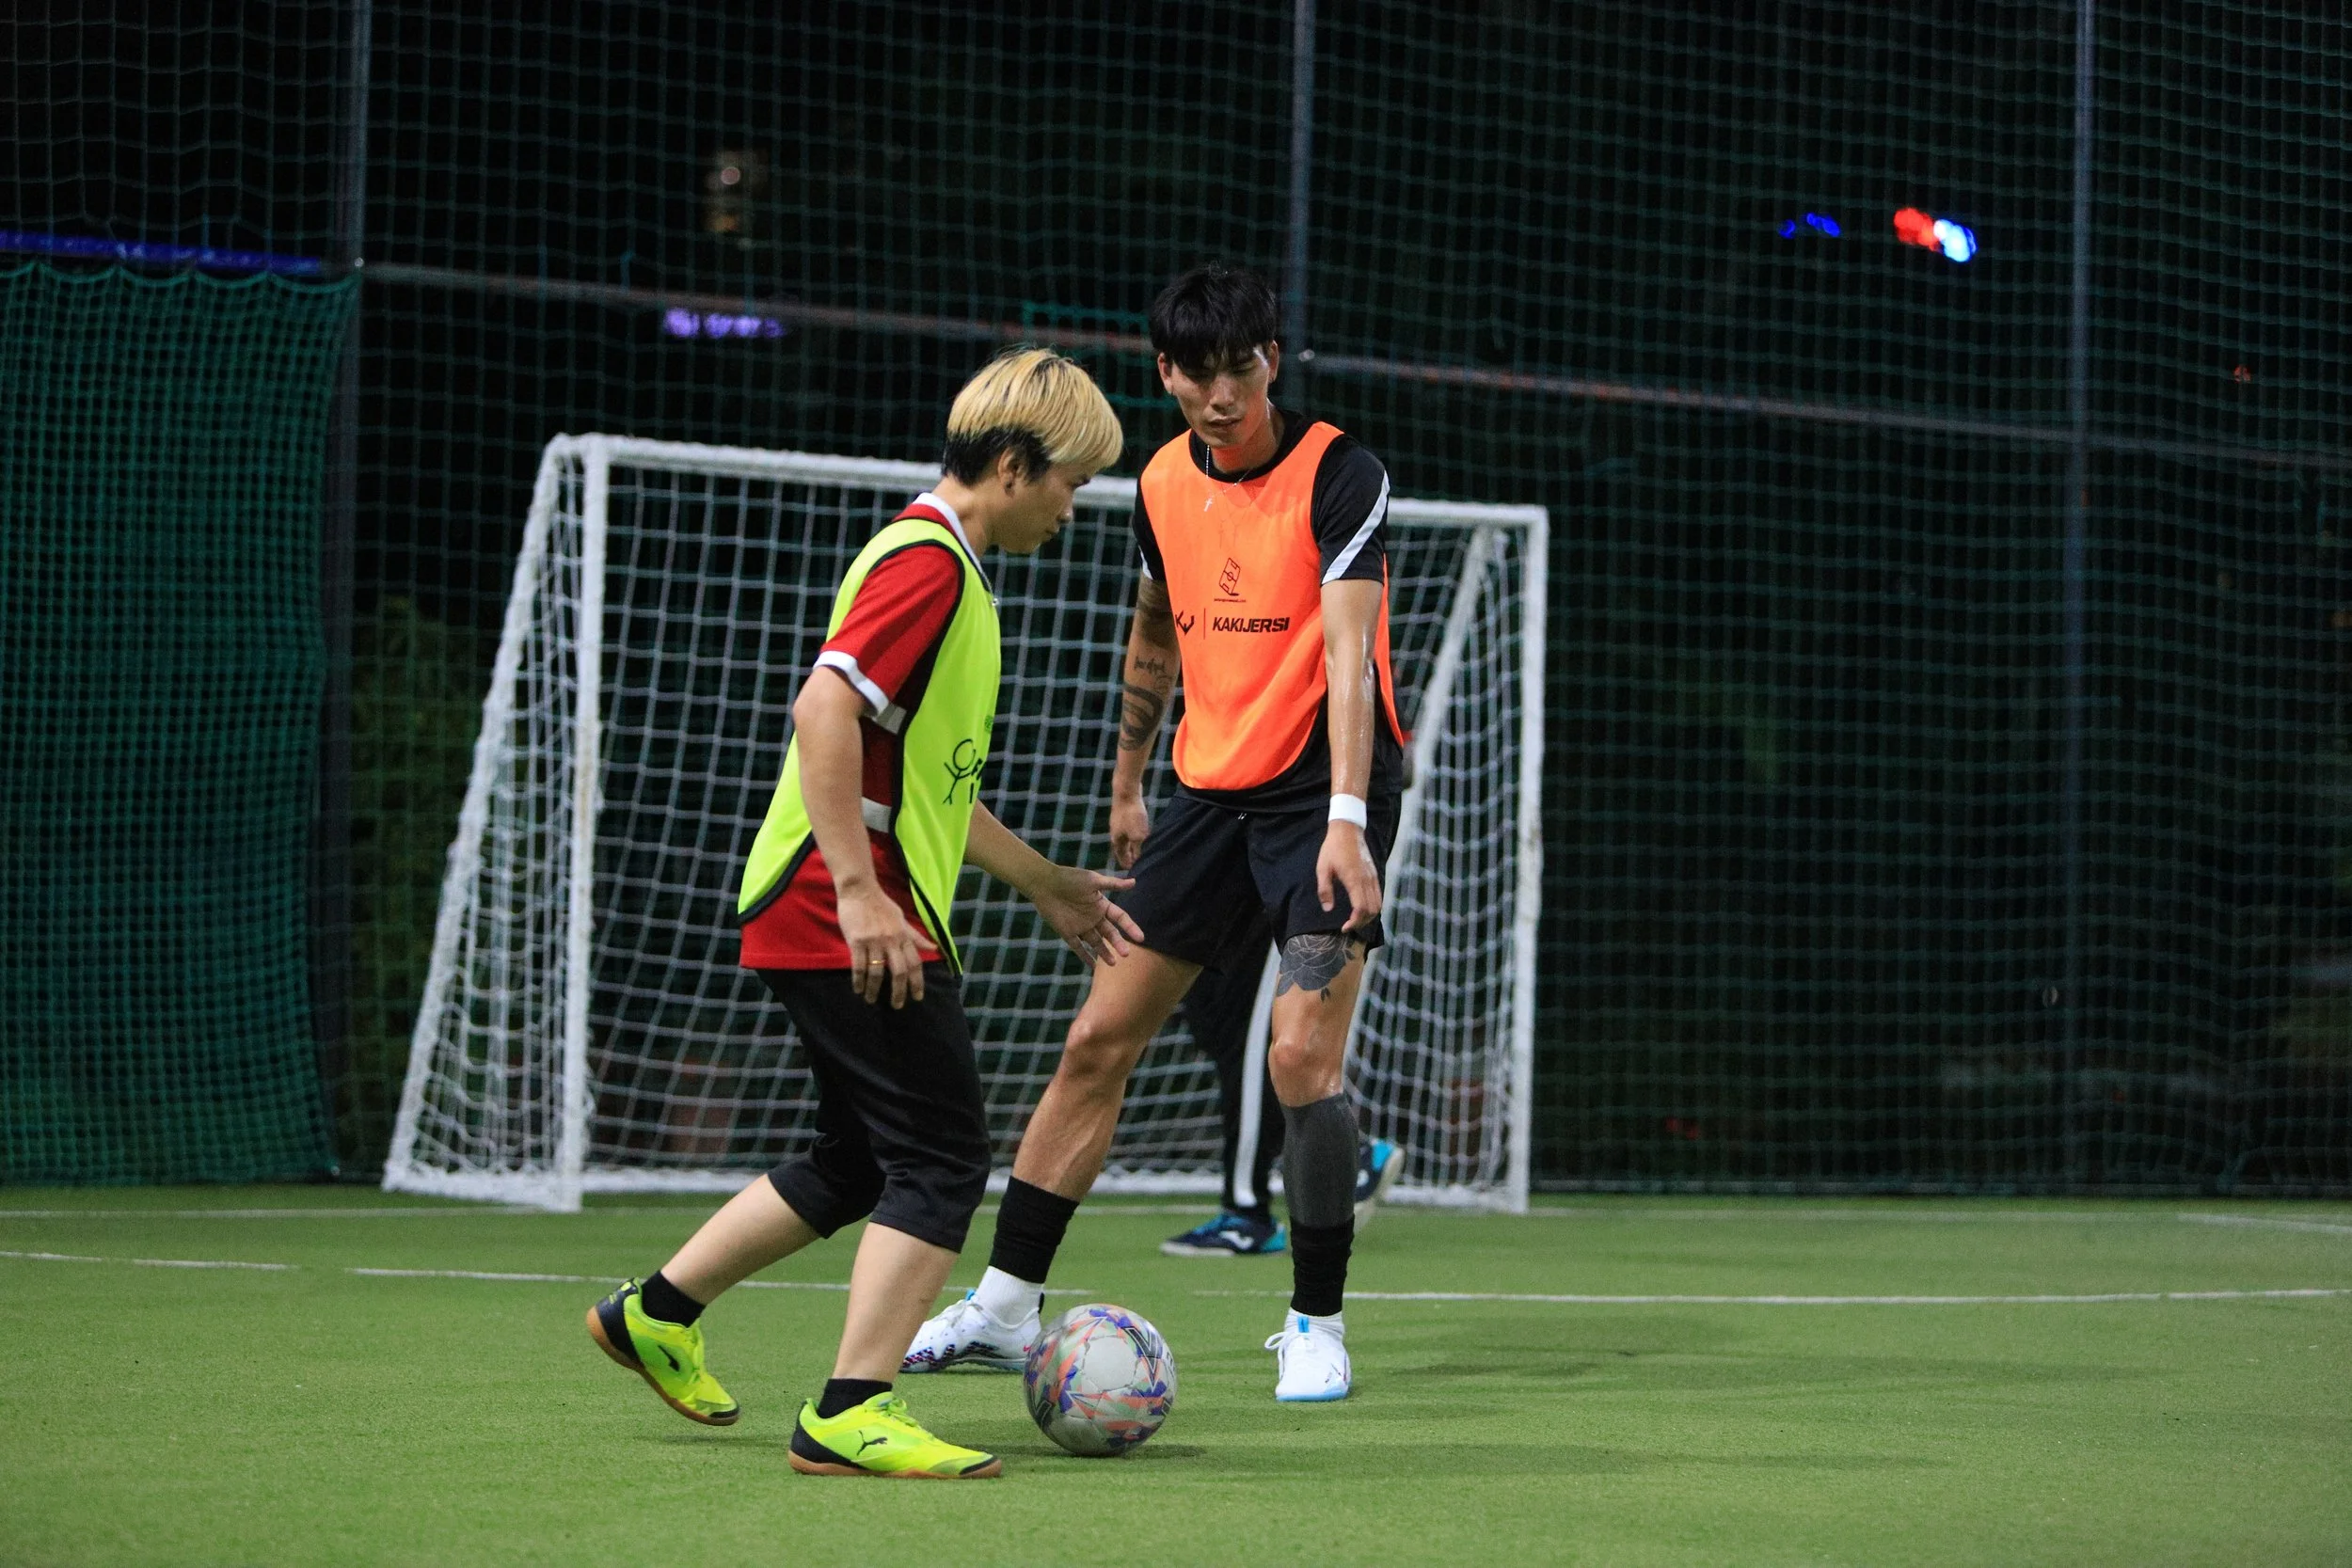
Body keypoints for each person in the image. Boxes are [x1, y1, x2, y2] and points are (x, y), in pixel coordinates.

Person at [582, 347, 1135, 1480]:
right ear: (1013, 463)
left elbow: (927, 784)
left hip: (838, 900)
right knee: (942, 1153)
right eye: (1070, 481)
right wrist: (857, 893)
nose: (1073, 507)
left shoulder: (945, 564)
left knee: (860, 1156)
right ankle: (849, 1407)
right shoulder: (927, 563)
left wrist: (1042, 879)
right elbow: (822, 710)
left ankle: (655, 1311)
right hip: (843, 907)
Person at [905, 262, 1406, 1402]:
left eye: (1242, 370)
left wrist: (1346, 819)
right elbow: (1152, 632)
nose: (1222, 396)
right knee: (1096, 1037)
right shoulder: (1162, 481)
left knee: (1298, 1055)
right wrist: (1128, 781)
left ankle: (1316, 1320)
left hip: (1323, 794)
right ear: (1165, 372)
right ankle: (1003, 1306)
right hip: (1207, 795)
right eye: (1198, 375)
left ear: (1269, 360)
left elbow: (1348, 655)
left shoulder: (1342, 472)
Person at [1158, 932, 1405, 1258]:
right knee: (1214, 1018)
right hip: (1218, 907)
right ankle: (1343, 1154)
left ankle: (1247, 1211)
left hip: (1269, 909)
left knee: (1252, 1036)